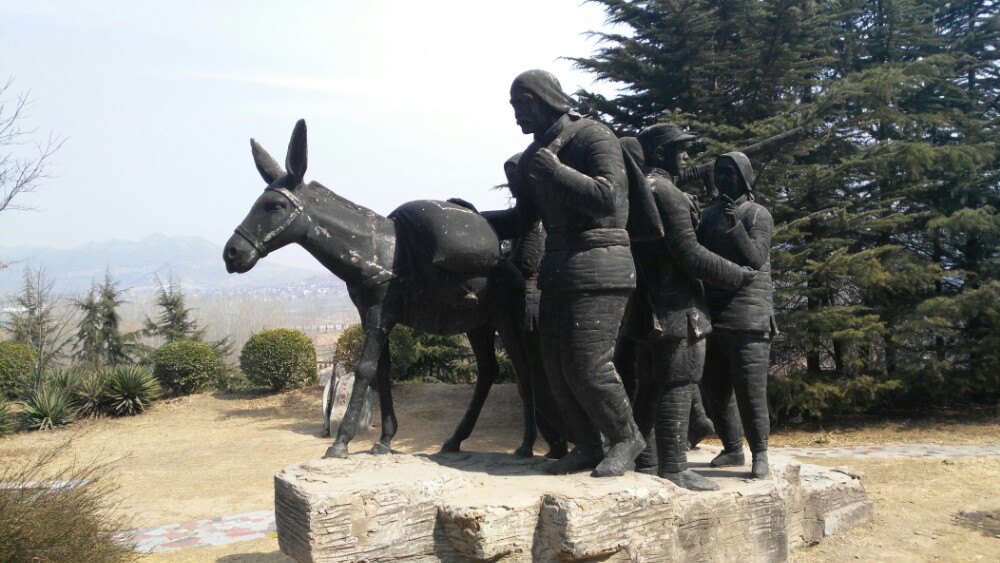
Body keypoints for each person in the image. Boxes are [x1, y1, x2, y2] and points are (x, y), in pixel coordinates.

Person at [481, 70, 643, 477]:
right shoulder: (537, 153)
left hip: (599, 262)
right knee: (553, 367)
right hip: (558, 269)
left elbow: (609, 198)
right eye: (513, 106)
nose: (517, 113)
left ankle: (626, 438)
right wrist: (471, 220)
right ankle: (587, 444)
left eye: (524, 103)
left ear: (546, 98)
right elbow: (522, 219)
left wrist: (555, 172)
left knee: (589, 364)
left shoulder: (593, 137)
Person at [626, 124, 756, 490]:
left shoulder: (641, 191)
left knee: (650, 384)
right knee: (678, 383)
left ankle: (647, 459)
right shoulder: (666, 192)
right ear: (660, 152)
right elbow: (689, 254)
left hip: (648, 304)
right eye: (679, 149)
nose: (686, 156)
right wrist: (736, 275)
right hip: (678, 305)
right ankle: (673, 466)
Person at [697, 152, 777, 478]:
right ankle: (732, 448)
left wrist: (736, 228)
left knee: (750, 391)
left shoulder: (758, 214)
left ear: (744, 177)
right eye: (719, 172)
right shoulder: (709, 214)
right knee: (714, 389)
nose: (723, 178)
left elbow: (756, 259)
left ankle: (760, 453)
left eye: (730, 172)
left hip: (749, 317)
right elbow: (696, 254)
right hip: (713, 314)